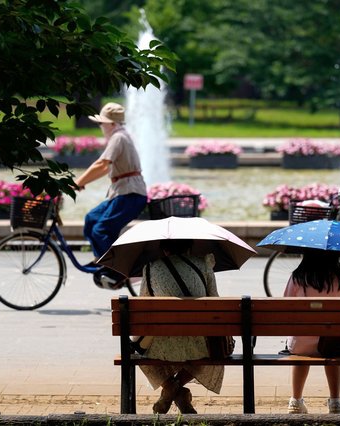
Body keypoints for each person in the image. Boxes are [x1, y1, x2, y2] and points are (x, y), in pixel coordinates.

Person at [138, 239, 224, 414]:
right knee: (212, 352)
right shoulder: (204, 266)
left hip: (160, 346)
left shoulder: (150, 268)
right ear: (190, 246)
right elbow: (216, 303)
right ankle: (178, 390)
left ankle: (170, 387)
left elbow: (142, 307)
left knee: (138, 350)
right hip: (200, 346)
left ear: (163, 248)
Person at [74, 102, 148, 280]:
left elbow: (102, 164)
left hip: (131, 194)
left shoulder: (118, 138)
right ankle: (102, 260)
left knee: (101, 230)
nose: (100, 126)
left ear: (112, 124)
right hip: (123, 192)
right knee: (91, 219)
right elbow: (104, 168)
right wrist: (83, 182)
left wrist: (78, 182)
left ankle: (116, 270)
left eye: (102, 123)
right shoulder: (119, 137)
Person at [283, 249, 340, 414]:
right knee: (333, 352)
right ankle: (336, 401)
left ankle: (295, 400)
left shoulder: (297, 278)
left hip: (301, 344)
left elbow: (286, 308)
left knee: (301, 352)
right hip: (334, 344)